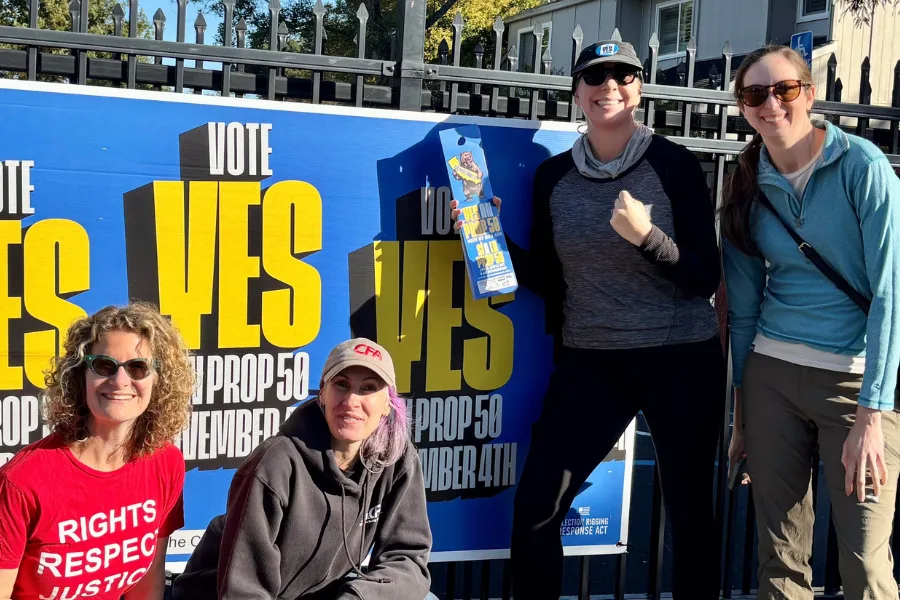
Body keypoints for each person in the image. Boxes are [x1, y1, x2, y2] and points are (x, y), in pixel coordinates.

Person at [453, 40, 726, 599]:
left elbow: (704, 278)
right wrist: (488, 238)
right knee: (537, 505)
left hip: (679, 357)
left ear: (640, 87)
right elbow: (555, 281)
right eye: (595, 77)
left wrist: (648, 239)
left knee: (690, 510)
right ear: (576, 92)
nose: (609, 87)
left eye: (623, 75)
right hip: (593, 360)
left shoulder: (673, 165)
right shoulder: (554, 177)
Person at [722, 45, 900, 600]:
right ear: (743, 107)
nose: (771, 103)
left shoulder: (862, 167)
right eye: (755, 94)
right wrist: (743, 414)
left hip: (854, 386)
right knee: (779, 559)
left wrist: (873, 413)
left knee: (865, 563)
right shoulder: (748, 181)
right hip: (773, 378)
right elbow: (745, 309)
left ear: (809, 93)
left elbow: (892, 295)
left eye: (784, 89)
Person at [172, 338, 435, 600]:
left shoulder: (397, 459)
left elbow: (407, 560)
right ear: (323, 393)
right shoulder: (274, 463)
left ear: (387, 404)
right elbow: (243, 590)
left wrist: (360, 597)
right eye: (341, 385)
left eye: (368, 388)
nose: (352, 400)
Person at [0, 302, 194, 600]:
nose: (119, 381)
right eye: (104, 366)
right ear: (82, 376)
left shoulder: (165, 462)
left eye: (137, 367)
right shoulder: (22, 481)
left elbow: (148, 584)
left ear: (159, 381)